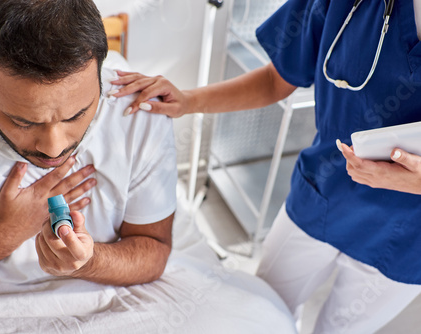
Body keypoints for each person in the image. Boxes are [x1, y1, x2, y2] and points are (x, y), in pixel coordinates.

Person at [0, 1, 300, 332]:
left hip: (118, 293)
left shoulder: (135, 106)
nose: (55, 147)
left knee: (270, 322)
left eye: (78, 113)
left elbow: (153, 250)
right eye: (24, 121)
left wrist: (86, 261)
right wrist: (2, 237)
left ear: (98, 71)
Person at [110, 0, 421, 332]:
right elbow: (276, 81)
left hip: (407, 239)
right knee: (261, 312)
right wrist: (188, 101)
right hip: (325, 193)